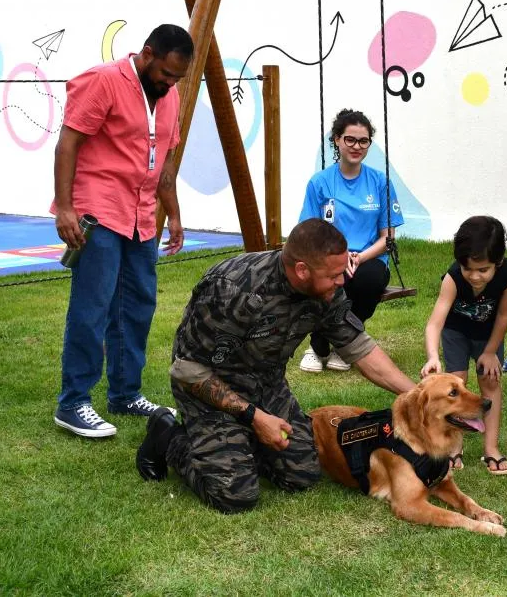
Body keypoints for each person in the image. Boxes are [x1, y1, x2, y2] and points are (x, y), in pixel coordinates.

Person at [134, 219, 416, 513]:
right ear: (302, 270)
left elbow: (359, 349)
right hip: (207, 389)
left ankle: (238, 444)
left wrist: (420, 396)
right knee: (235, 495)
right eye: (334, 275)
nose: (342, 281)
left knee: (303, 474)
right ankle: (167, 437)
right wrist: (255, 418)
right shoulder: (232, 288)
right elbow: (187, 370)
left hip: (265, 385)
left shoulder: (326, 290)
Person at [52, 23, 192, 438]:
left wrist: (175, 215)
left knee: (138, 306)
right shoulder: (103, 81)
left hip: (141, 216)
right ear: (147, 54)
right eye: (166, 74)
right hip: (98, 210)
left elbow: (165, 162)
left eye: (178, 78)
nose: (170, 84)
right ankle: (73, 402)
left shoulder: (170, 96)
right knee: (92, 306)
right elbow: (68, 143)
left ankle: (125, 394)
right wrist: (65, 208)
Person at [297, 109, 405, 372]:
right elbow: (310, 230)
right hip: (329, 257)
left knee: (367, 280)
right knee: (324, 281)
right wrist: (338, 258)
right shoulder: (320, 182)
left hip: (369, 257)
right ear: (337, 140)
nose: (357, 146)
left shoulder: (381, 181)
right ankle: (322, 345)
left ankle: (336, 344)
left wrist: (359, 257)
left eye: (363, 141)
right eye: (350, 139)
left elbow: (387, 236)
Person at [421, 216, 507, 475]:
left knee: (490, 381)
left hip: (488, 335)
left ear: (498, 262)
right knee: (456, 383)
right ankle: (454, 447)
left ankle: (491, 449)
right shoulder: (453, 278)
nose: (474, 276)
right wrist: (432, 356)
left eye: (483, 270)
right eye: (468, 268)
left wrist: (490, 351)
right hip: (456, 333)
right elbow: (434, 323)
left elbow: (505, 315)